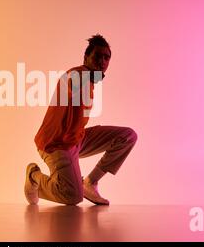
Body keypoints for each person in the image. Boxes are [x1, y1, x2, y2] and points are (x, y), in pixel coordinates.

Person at [24, 34, 137, 205]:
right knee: (72, 196)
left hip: (77, 139)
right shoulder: (78, 74)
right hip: (56, 144)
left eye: (106, 58)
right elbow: (72, 82)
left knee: (127, 136)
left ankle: (90, 182)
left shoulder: (90, 80)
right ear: (86, 57)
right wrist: (81, 81)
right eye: (97, 56)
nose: (102, 61)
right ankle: (34, 176)